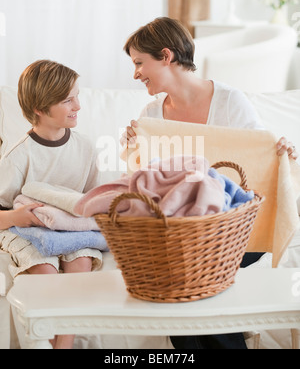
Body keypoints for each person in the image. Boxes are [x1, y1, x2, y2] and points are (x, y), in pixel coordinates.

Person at [121, 17, 298, 349]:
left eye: (139, 63)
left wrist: (283, 152)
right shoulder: (152, 114)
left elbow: (260, 159)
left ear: (166, 55)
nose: (135, 74)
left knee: (185, 275)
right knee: (182, 275)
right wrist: (132, 147)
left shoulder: (230, 102)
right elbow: (151, 184)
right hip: (186, 232)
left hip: (236, 229)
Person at [0, 60, 102, 349]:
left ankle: (63, 346)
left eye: (77, 96)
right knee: (46, 273)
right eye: (67, 100)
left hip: (70, 229)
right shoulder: (18, 157)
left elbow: (92, 201)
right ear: (40, 109)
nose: (78, 106)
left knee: (81, 263)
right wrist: (20, 217)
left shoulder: (85, 148)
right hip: (24, 229)